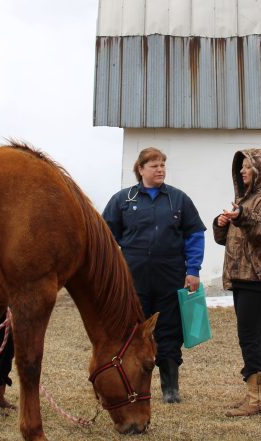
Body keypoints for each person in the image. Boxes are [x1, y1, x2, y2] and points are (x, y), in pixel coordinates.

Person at [102, 147, 206, 404]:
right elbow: (104, 237)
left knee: (169, 331)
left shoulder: (178, 199)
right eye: (154, 166)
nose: (160, 169)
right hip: (133, 279)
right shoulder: (123, 200)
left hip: (170, 277)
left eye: (162, 165)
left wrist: (193, 270)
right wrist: (111, 270)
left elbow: (194, 236)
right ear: (141, 169)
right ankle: (132, 384)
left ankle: (170, 388)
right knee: (133, 332)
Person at [212, 148, 261, 417]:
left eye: (248, 167)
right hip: (243, 275)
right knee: (254, 333)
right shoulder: (245, 199)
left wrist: (241, 217)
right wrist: (223, 223)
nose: (243, 171)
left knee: (248, 334)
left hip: (260, 276)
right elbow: (229, 240)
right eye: (241, 167)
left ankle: (256, 400)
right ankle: (256, 397)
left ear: (260, 169)